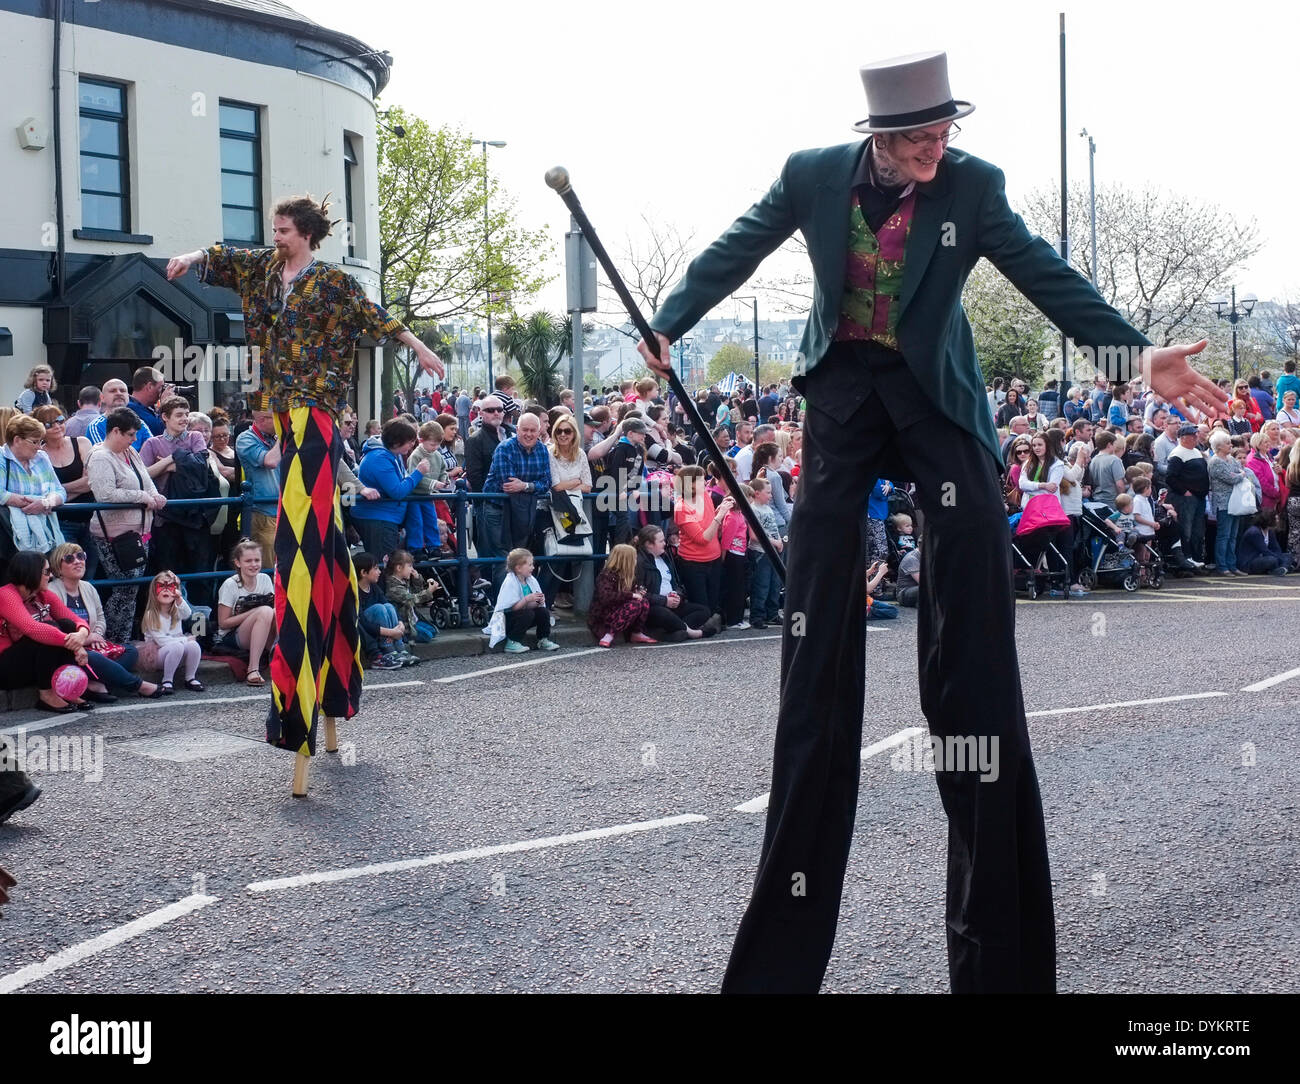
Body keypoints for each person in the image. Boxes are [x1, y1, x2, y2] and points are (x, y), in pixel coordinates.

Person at [637, 50, 1225, 994]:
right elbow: (733, 248)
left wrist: (1132, 355)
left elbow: (1048, 276)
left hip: (938, 406)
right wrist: (671, 319)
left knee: (974, 670)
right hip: (842, 397)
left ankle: (1001, 970)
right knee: (816, 656)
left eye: (946, 132)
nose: (937, 148)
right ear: (878, 136)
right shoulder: (813, 176)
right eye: (920, 136)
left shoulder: (971, 186)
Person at [165, 193, 443, 767]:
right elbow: (228, 257)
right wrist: (191, 258)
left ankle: (313, 588)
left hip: (316, 408)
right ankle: (318, 570)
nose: (276, 236)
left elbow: (378, 320)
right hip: (281, 407)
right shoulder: (267, 268)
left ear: (308, 234)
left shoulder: (334, 284)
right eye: (274, 228)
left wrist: (420, 347)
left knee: (310, 533)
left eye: (285, 229)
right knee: (308, 531)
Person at [86, 408, 164, 642]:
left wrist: (155, 495)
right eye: (130, 434)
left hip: (138, 532)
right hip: (115, 535)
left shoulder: (130, 452)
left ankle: (121, 640)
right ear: (115, 431)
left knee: (130, 590)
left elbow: (146, 481)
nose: (134, 439)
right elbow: (105, 494)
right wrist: (143, 497)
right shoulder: (100, 456)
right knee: (125, 590)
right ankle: (113, 640)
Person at [47, 541, 160, 699]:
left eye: (80, 556)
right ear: (58, 567)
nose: (78, 561)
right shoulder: (51, 591)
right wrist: (86, 640)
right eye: (69, 558)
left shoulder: (88, 587)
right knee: (94, 658)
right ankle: (138, 685)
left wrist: (97, 636)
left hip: (93, 644)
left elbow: (100, 617)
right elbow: (56, 628)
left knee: (130, 651)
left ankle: (94, 684)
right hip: (68, 650)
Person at [141, 395, 215, 604]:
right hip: (165, 517)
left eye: (186, 414)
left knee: (199, 572)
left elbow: (201, 466)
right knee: (167, 569)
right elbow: (144, 474)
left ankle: (201, 622)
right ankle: (169, 621)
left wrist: (171, 464)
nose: (184, 419)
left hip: (194, 514)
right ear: (165, 417)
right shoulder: (152, 443)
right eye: (179, 415)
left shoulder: (195, 437)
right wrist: (172, 459)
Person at [0, 549, 92, 714]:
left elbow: (76, 620)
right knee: (49, 629)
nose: (51, 576)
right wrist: (76, 645)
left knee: (66, 624)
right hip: (4, 669)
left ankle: (62, 687)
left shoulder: (42, 594)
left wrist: (81, 635)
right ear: (32, 572)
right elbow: (32, 629)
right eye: (47, 571)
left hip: (27, 664)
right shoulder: (6, 594)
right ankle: (47, 693)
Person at [350, 418, 433, 564]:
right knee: (384, 566)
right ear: (396, 442)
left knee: (386, 565)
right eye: (409, 441)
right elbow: (398, 491)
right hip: (378, 518)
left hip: (384, 517)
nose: (413, 445)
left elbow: (401, 482)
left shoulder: (392, 454)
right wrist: (418, 472)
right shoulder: (379, 458)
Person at [633, 525, 716, 641]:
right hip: (654, 608)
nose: (665, 544)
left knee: (704, 610)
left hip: (672, 604)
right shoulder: (639, 562)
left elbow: (676, 584)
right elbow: (640, 594)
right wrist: (665, 601)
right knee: (663, 613)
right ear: (649, 544)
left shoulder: (665, 557)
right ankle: (692, 632)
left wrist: (677, 596)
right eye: (661, 541)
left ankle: (671, 632)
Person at [1, 413, 67, 555]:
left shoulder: (42, 457)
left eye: (41, 442)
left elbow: (60, 491)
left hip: (46, 533)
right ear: (17, 440)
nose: (39, 447)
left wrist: (46, 503)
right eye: (35, 442)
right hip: (9, 536)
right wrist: (35, 503)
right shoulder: (1, 458)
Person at [138, 571, 204, 695]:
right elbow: (161, 641)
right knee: (178, 646)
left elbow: (187, 614)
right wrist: (185, 640)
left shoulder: (176, 611)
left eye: (170, 587)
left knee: (194, 645)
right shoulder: (151, 615)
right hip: (158, 653)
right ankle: (167, 680)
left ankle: (190, 678)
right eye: (161, 586)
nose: (166, 590)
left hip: (177, 649)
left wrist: (179, 598)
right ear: (154, 591)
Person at [1207, 429, 1258, 576]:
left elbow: (1239, 472)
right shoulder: (1215, 462)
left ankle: (1232, 565)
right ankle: (1222, 566)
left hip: (1236, 502)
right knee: (1224, 535)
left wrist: (1239, 474)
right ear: (1218, 446)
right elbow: (1233, 478)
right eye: (1227, 443)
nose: (1230, 445)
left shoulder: (1231, 459)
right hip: (1224, 503)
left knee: (1233, 536)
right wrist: (1240, 474)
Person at [235, 410, 282, 570]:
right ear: (262, 420)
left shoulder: (274, 439)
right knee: (269, 569)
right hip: (263, 513)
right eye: (277, 419)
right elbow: (270, 461)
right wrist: (283, 437)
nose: (282, 422)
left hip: (283, 510)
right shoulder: (245, 439)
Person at [587, 543, 655, 647]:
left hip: (617, 610)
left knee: (643, 602)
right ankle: (609, 634)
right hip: (603, 616)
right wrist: (631, 595)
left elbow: (630, 593)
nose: (636, 561)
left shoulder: (628, 576)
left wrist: (637, 592)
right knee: (635, 604)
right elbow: (606, 597)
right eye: (634, 558)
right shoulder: (606, 575)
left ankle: (636, 632)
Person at [494, 548, 560, 653]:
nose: (533, 567)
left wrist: (538, 602)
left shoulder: (531, 580)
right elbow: (512, 608)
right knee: (528, 614)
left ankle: (543, 639)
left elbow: (528, 607)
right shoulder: (510, 581)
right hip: (508, 620)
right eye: (529, 565)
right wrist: (527, 599)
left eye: (532, 565)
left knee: (543, 612)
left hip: (522, 615)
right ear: (518, 568)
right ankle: (512, 641)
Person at [354, 551, 411, 669]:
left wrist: (400, 623)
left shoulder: (374, 587)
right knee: (379, 608)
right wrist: (390, 632)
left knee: (389, 607)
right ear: (363, 572)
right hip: (372, 629)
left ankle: (399, 649)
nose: (379, 572)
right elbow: (362, 622)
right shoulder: (354, 591)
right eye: (375, 569)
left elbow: (387, 603)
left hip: (384, 630)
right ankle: (387, 649)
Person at [404, 421, 447, 560]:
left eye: (437, 445)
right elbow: (414, 476)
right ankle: (416, 548)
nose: (435, 448)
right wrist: (434, 483)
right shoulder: (416, 456)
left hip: (427, 496)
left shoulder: (437, 455)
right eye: (432, 444)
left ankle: (433, 546)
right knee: (416, 522)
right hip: (415, 495)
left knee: (431, 519)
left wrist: (444, 479)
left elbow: (442, 469)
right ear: (421, 440)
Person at [746, 476, 785, 628]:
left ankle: (772, 613)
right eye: (768, 493)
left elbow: (773, 529)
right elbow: (754, 536)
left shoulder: (767, 508)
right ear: (757, 493)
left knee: (775, 584)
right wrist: (775, 542)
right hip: (760, 553)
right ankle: (757, 616)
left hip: (774, 552)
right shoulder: (754, 509)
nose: (771, 495)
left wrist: (779, 541)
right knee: (761, 585)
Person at [384, 549, 440, 646]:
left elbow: (416, 592)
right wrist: (429, 592)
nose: (412, 569)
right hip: (405, 624)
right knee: (427, 635)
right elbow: (413, 599)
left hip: (413, 620)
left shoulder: (404, 580)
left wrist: (417, 578)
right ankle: (404, 636)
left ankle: (413, 633)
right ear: (399, 568)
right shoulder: (394, 587)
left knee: (433, 630)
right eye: (409, 566)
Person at [1237, 510, 1292, 576]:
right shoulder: (1254, 532)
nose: (1278, 521)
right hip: (1249, 563)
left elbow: (1276, 548)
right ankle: (1284, 567)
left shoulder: (1270, 531)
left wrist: (1280, 557)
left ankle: (1281, 568)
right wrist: (1281, 560)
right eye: (1276, 519)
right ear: (1269, 520)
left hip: (1263, 558)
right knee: (1272, 560)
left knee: (1288, 555)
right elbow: (1264, 551)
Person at [85, 379, 136, 447]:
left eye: (122, 390)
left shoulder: (140, 423)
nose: (119, 393)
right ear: (102, 398)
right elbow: (106, 454)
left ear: (128, 396)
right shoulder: (96, 426)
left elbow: (152, 449)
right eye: (113, 391)